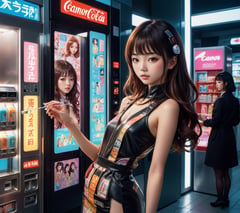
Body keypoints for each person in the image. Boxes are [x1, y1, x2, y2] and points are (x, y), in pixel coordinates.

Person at [45, 19, 201, 213]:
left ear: (171, 61)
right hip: (92, 187)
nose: (142, 67)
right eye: (136, 59)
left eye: (152, 59)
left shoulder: (167, 107)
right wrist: (70, 125)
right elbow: (98, 155)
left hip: (118, 195)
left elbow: (156, 169)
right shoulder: (130, 101)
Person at [202, 71, 239, 208]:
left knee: (218, 174)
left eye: (218, 82)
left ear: (226, 84)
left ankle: (220, 200)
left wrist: (204, 121)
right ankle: (226, 199)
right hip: (229, 137)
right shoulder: (235, 101)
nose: (216, 84)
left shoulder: (220, 101)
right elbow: (236, 121)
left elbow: (215, 121)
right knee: (226, 173)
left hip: (218, 138)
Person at [54, 60, 80, 129]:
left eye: (71, 79)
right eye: (63, 79)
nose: (68, 83)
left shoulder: (71, 100)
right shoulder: (53, 104)